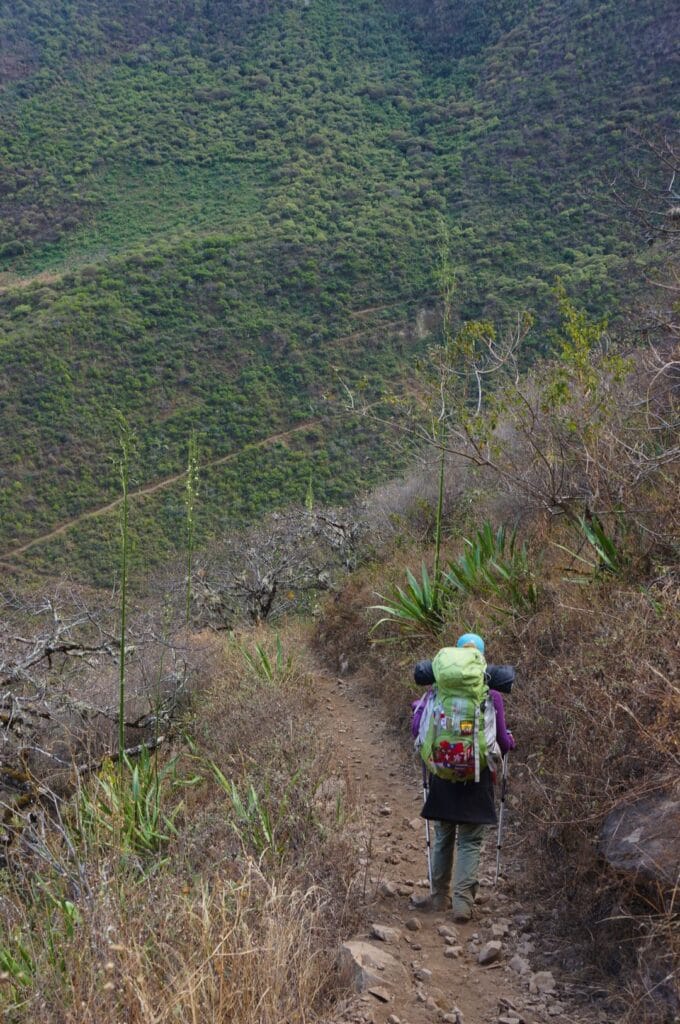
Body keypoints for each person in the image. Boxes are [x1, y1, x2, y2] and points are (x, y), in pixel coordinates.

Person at [414, 632, 515, 922]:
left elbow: (416, 727)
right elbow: (503, 743)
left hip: (442, 774)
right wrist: (509, 740)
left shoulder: (437, 691)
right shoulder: (491, 694)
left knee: (444, 835)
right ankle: (462, 906)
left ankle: (437, 898)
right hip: (477, 775)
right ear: (482, 658)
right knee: (469, 841)